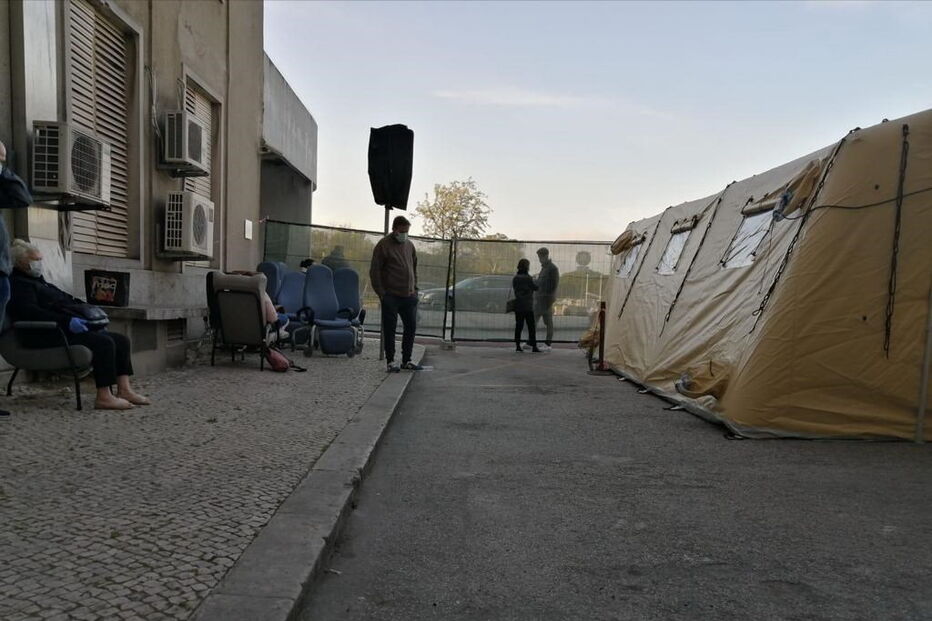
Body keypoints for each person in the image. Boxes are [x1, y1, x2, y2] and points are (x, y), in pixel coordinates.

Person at [8, 240, 150, 410]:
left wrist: (88, 313)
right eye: (34, 261)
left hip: (61, 328)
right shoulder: (19, 285)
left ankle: (124, 389)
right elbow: (31, 313)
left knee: (121, 340)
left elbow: (66, 299)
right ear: (21, 263)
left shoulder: (39, 281)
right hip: (45, 332)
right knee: (103, 344)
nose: (39, 264)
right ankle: (104, 396)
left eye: (40, 259)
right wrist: (67, 321)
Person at [370, 215, 422, 372]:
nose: (405, 234)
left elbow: (413, 268)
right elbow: (375, 271)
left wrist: (415, 289)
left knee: (411, 327)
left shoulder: (409, 245)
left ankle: (407, 360)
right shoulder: (383, 245)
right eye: (402, 231)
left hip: (409, 296)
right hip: (391, 296)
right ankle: (391, 361)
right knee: (390, 329)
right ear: (394, 230)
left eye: (407, 231)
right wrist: (382, 294)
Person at [534, 247, 560, 351]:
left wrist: (548, 297)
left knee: (543, 321)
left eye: (540, 257)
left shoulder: (552, 268)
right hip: (542, 298)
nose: (539, 259)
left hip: (545, 299)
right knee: (545, 321)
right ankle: (546, 343)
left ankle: (547, 344)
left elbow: (554, 285)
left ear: (545, 256)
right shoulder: (544, 268)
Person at [512, 259, 540, 353]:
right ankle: (534, 346)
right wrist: (538, 281)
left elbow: (516, 289)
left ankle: (517, 346)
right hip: (527, 306)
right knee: (531, 327)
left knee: (518, 326)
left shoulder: (516, 277)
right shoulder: (528, 278)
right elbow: (535, 287)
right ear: (526, 267)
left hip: (518, 305)